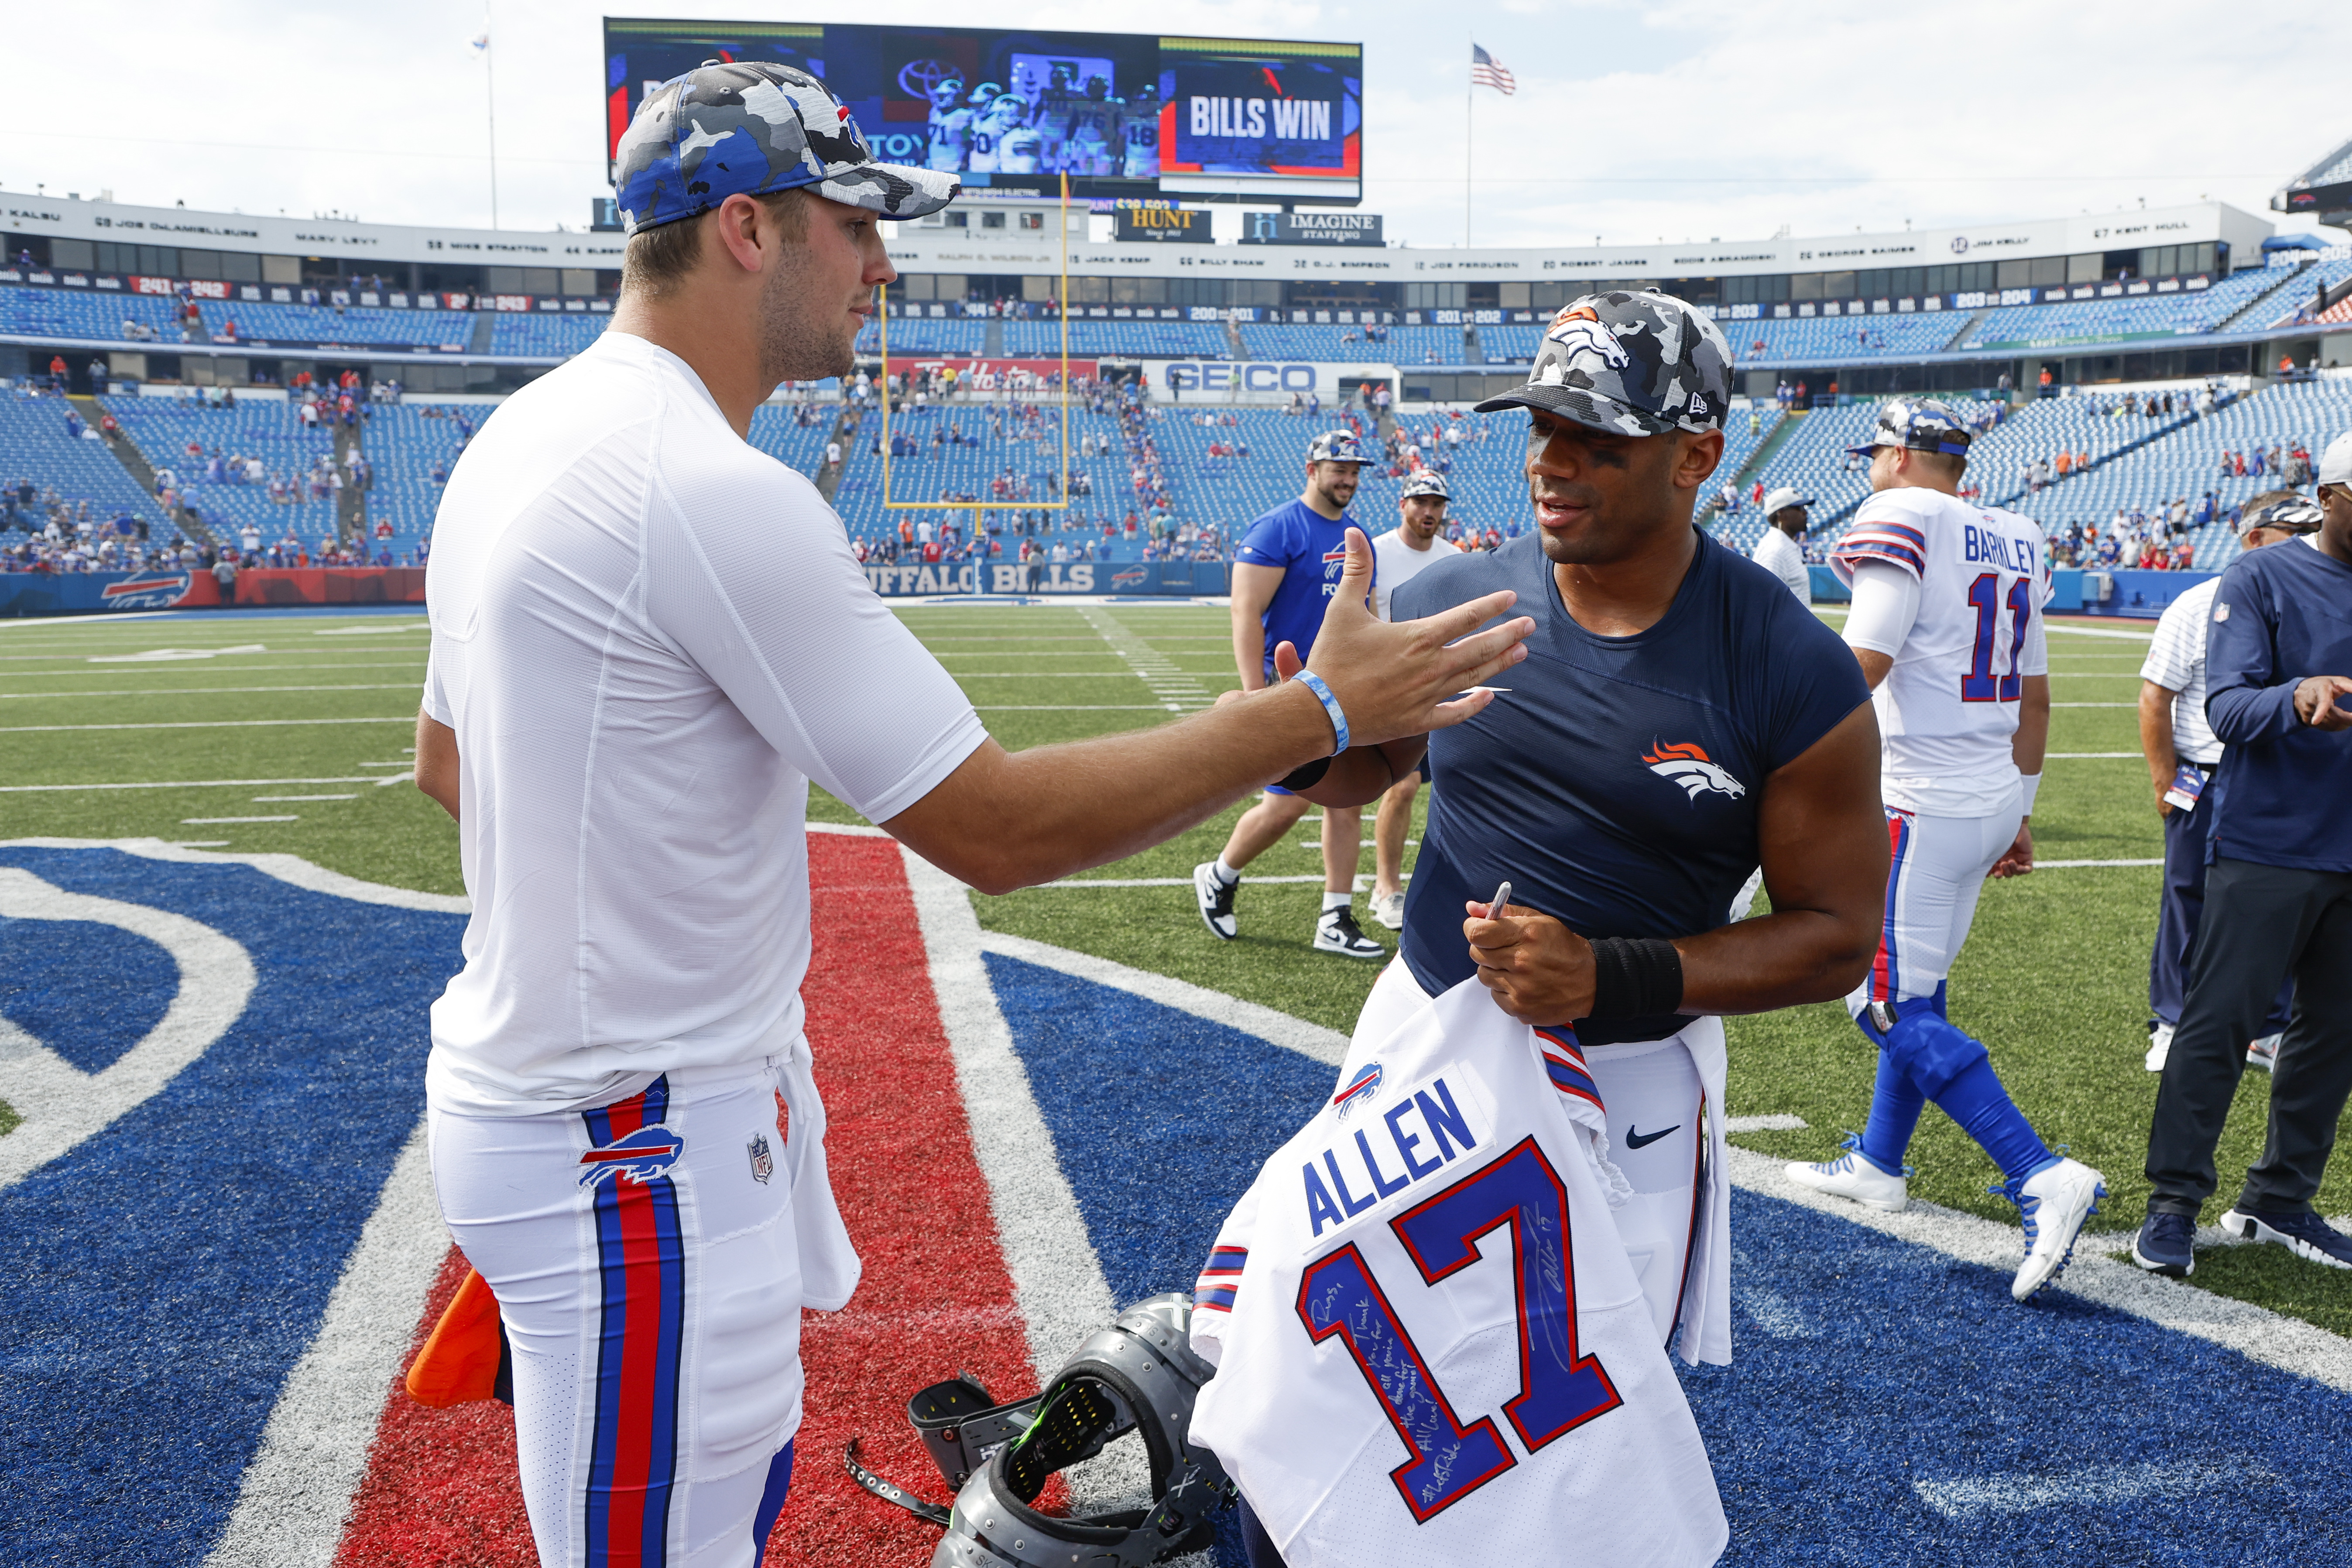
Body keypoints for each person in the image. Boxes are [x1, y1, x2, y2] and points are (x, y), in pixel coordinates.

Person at [408, 62, 1532, 1568]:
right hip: (631, 1145)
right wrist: (1318, 710)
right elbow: (999, 830)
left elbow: (448, 763)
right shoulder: (697, 483)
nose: (883, 264)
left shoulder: (524, 434)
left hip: (587, 1118)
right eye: (856, 223)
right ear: (748, 227)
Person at [1284, 291, 1889, 1379]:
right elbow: (1368, 767)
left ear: (1696, 454)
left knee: (1583, 1407)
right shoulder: (1466, 595)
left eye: (1596, 437)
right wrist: (1299, 726)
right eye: (1542, 428)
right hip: (1423, 1030)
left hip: (1631, 1076)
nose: (1551, 462)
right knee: (1352, 1369)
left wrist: (1606, 976)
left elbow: (1838, 937)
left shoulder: (1789, 664)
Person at [1786, 397, 2107, 1303]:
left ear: (1896, 455)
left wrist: (1767, 763)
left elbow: (1862, 665)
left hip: (1919, 801)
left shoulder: (1902, 516)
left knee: (1878, 998)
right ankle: (1880, 1162)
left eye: (1874, 455)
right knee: (1917, 990)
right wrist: (2021, 810)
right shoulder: (2016, 531)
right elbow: (2035, 698)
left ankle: (2037, 1168)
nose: (1870, 472)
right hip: (1987, 795)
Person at [2133, 435, 2352, 1278]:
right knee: (2218, 1024)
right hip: (2270, 840)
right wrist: (2298, 696)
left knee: (2334, 1033)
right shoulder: (2261, 577)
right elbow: (2224, 705)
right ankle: (2174, 1200)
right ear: (2331, 495)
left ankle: (2281, 1197)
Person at [1193, 428, 1387, 959]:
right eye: (1338, 468)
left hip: (1340, 689)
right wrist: (1256, 695)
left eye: (1354, 470)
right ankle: (1218, 874)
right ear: (1312, 469)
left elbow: (1362, 616)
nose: (1348, 478)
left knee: (1347, 803)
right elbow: (1244, 612)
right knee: (1283, 808)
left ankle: (1335, 916)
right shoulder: (1278, 527)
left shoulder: (1356, 534)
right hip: (1287, 688)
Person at [2137, 492, 2307, 1074]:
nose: (2309, 541)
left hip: (2278, 774)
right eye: (2294, 530)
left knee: (2280, 902)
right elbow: (2155, 696)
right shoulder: (2196, 604)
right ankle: (2172, 1022)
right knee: (2187, 896)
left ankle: (2269, 1026)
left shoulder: (2311, 597)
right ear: (2254, 538)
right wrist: (2164, 778)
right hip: (2203, 773)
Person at [1366, 471, 1460, 929]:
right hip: (1390, 686)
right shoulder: (1377, 552)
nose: (1429, 511)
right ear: (1402, 503)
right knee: (1401, 785)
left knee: (1452, 784)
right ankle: (1385, 886)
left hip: (1438, 683)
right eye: (1421, 501)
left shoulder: (1454, 557)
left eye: (1437, 503)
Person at [1750, 485, 1813, 602]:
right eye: (1799, 508)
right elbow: (1764, 603)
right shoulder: (1775, 551)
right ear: (1782, 514)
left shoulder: (1786, 544)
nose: (1805, 513)